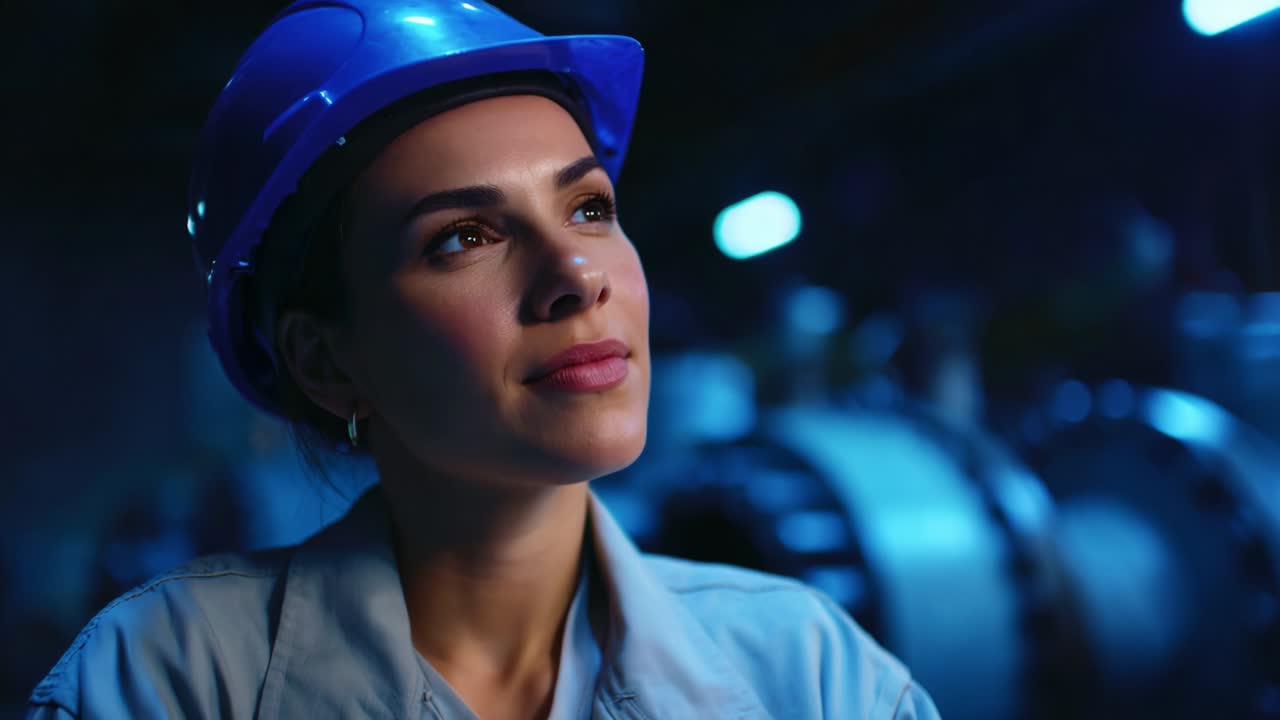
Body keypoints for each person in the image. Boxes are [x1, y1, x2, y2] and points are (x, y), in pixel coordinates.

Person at [28, 1, 940, 717]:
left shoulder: (815, 677)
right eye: (464, 236)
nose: (577, 275)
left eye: (589, 209)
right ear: (326, 362)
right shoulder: (166, 681)